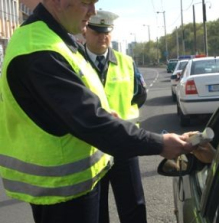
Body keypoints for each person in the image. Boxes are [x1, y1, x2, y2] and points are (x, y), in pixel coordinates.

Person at [0, 1, 194, 223]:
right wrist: (160, 144)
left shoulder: (55, 42)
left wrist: (105, 115)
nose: (92, 12)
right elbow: (90, 121)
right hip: (62, 193)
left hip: (77, 183)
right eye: (86, 3)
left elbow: (83, 108)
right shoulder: (40, 50)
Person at [82, 10, 147, 223]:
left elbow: (140, 95)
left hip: (124, 144)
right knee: (96, 212)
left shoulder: (126, 62)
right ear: (85, 31)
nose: (103, 37)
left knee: (134, 207)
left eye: (106, 32)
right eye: (97, 32)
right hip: (90, 149)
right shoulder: (73, 62)